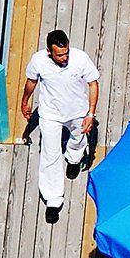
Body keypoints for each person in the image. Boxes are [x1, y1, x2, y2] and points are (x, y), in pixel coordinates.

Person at [21, 29, 99, 222]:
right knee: (50, 154)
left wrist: (91, 114)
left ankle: (74, 158)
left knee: (78, 138)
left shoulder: (80, 58)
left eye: (66, 53)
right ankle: (53, 199)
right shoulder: (38, 60)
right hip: (50, 114)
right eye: (60, 55)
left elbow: (93, 84)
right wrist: (25, 101)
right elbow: (31, 81)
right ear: (49, 52)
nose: (64, 58)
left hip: (77, 112)